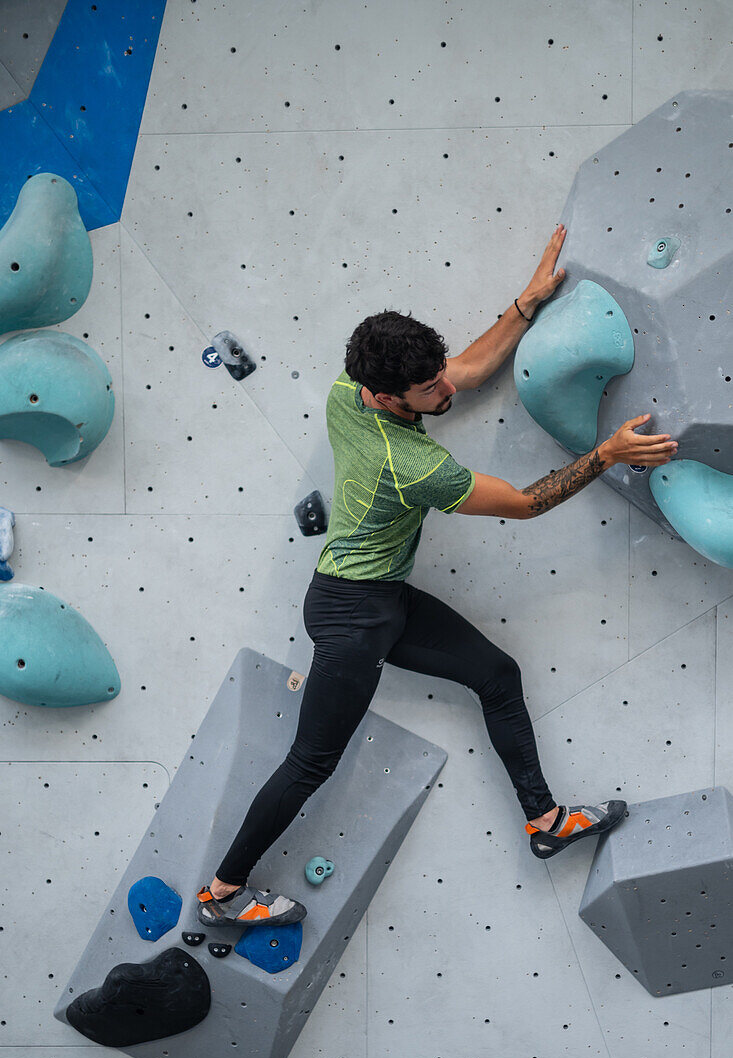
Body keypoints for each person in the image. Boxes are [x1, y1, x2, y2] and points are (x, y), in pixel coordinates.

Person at [196, 224, 678, 930]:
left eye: (435, 372)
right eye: (428, 388)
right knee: (311, 763)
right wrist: (606, 453)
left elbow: (470, 369)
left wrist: (526, 302)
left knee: (496, 674)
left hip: (379, 598)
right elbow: (522, 504)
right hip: (349, 618)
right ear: (388, 397)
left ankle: (544, 821)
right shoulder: (416, 466)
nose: (446, 387)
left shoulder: (346, 390)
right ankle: (223, 893)